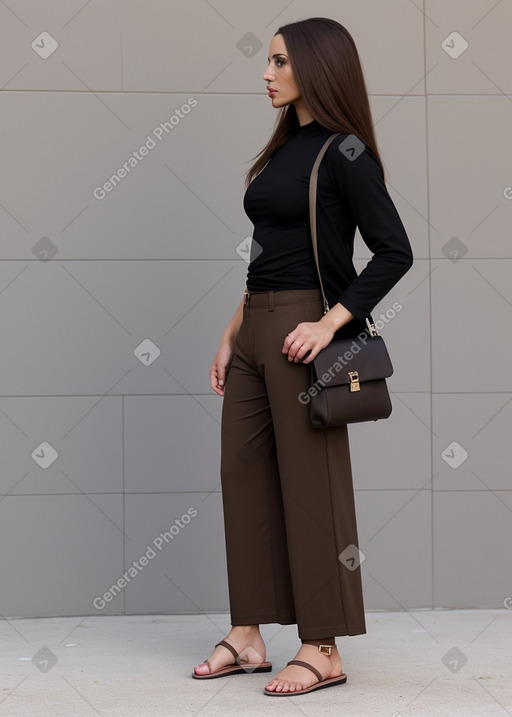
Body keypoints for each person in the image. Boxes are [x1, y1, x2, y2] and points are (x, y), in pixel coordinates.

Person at [192, 17, 413, 696]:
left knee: (312, 487)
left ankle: (323, 645)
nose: (267, 73)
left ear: (316, 67)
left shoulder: (345, 152)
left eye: (280, 62)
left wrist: (330, 323)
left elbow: (394, 249)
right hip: (259, 324)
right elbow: (268, 249)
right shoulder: (285, 147)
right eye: (268, 62)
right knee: (243, 474)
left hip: (301, 328)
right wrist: (234, 329)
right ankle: (249, 631)